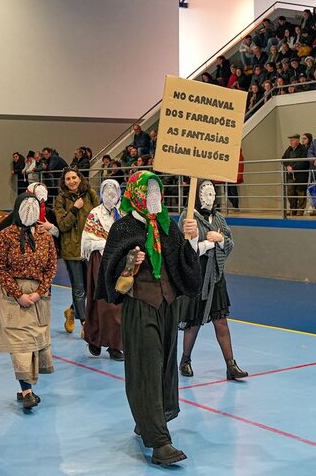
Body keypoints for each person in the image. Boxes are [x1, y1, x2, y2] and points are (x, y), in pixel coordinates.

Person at [99, 171, 201, 466]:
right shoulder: (124, 227)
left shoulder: (169, 226)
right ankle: (159, 443)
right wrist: (130, 263)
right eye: (149, 190)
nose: (154, 195)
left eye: (157, 189)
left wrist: (191, 241)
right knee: (146, 368)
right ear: (136, 193)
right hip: (140, 305)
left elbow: (186, 269)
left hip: (168, 307)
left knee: (164, 369)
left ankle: (149, 420)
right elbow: (112, 281)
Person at [0, 192, 58, 412]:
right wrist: (18, 294)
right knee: (21, 343)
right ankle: (27, 390)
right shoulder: (4, 236)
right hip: (13, 295)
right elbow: (0, 267)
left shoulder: (44, 236)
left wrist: (39, 292)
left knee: (36, 339)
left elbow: (51, 266)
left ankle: (25, 389)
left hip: (39, 294)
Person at [178, 181, 248, 382]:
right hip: (196, 276)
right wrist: (208, 243)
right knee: (193, 323)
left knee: (221, 322)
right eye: (206, 194)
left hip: (216, 276)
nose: (210, 199)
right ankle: (185, 360)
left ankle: (231, 365)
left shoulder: (219, 218)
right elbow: (183, 248)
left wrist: (220, 238)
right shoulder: (188, 216)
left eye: (213, 194)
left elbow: (229, 243)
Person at [81, 179, 125, 359]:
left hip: (120, 262)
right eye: (106, 191)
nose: (110, 195)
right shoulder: (95, 214)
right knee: (100, 302)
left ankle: (115, 344)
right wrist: (106, 243)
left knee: (118, 304)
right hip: (100, 261)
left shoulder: (123, 214)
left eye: (113, 191)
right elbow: (86, 240)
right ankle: (95, 338)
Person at [54, 168, 98, 336]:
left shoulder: (91, 195)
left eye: (74, 177)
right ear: (64, 182)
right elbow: (63, 225)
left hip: (90, 248)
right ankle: (84, 325)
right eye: (68, 179)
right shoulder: (61, 200)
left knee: (89, 287)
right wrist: (74, 208)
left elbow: (97, 218)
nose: (71, 181)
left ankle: (72, 311)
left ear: (80, 178)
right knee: (79, 288)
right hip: (71, 250)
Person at [282, 134, 310, 215]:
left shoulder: (303, 150)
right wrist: (287, 166)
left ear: (297, 141)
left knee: (301, 193)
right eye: (290, 140)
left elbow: (303, 162)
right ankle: (293, 209)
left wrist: (293, 167)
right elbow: (283, 158)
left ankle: (300, 210)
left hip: (300, 175)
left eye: (292, 140)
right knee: (290, 193)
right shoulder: (289, 150)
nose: (291, 142)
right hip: (290, 175)